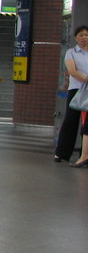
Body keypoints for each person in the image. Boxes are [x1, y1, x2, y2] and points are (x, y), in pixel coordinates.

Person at [54, 24, 88, 163]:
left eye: (86, 35)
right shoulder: (71, 52)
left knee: (87, 124)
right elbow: (72, 71)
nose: (84, 38)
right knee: (71, 120)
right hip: (77, 90)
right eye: (81, 35)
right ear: (75, 37)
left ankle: (84, 154)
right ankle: (62, 153)